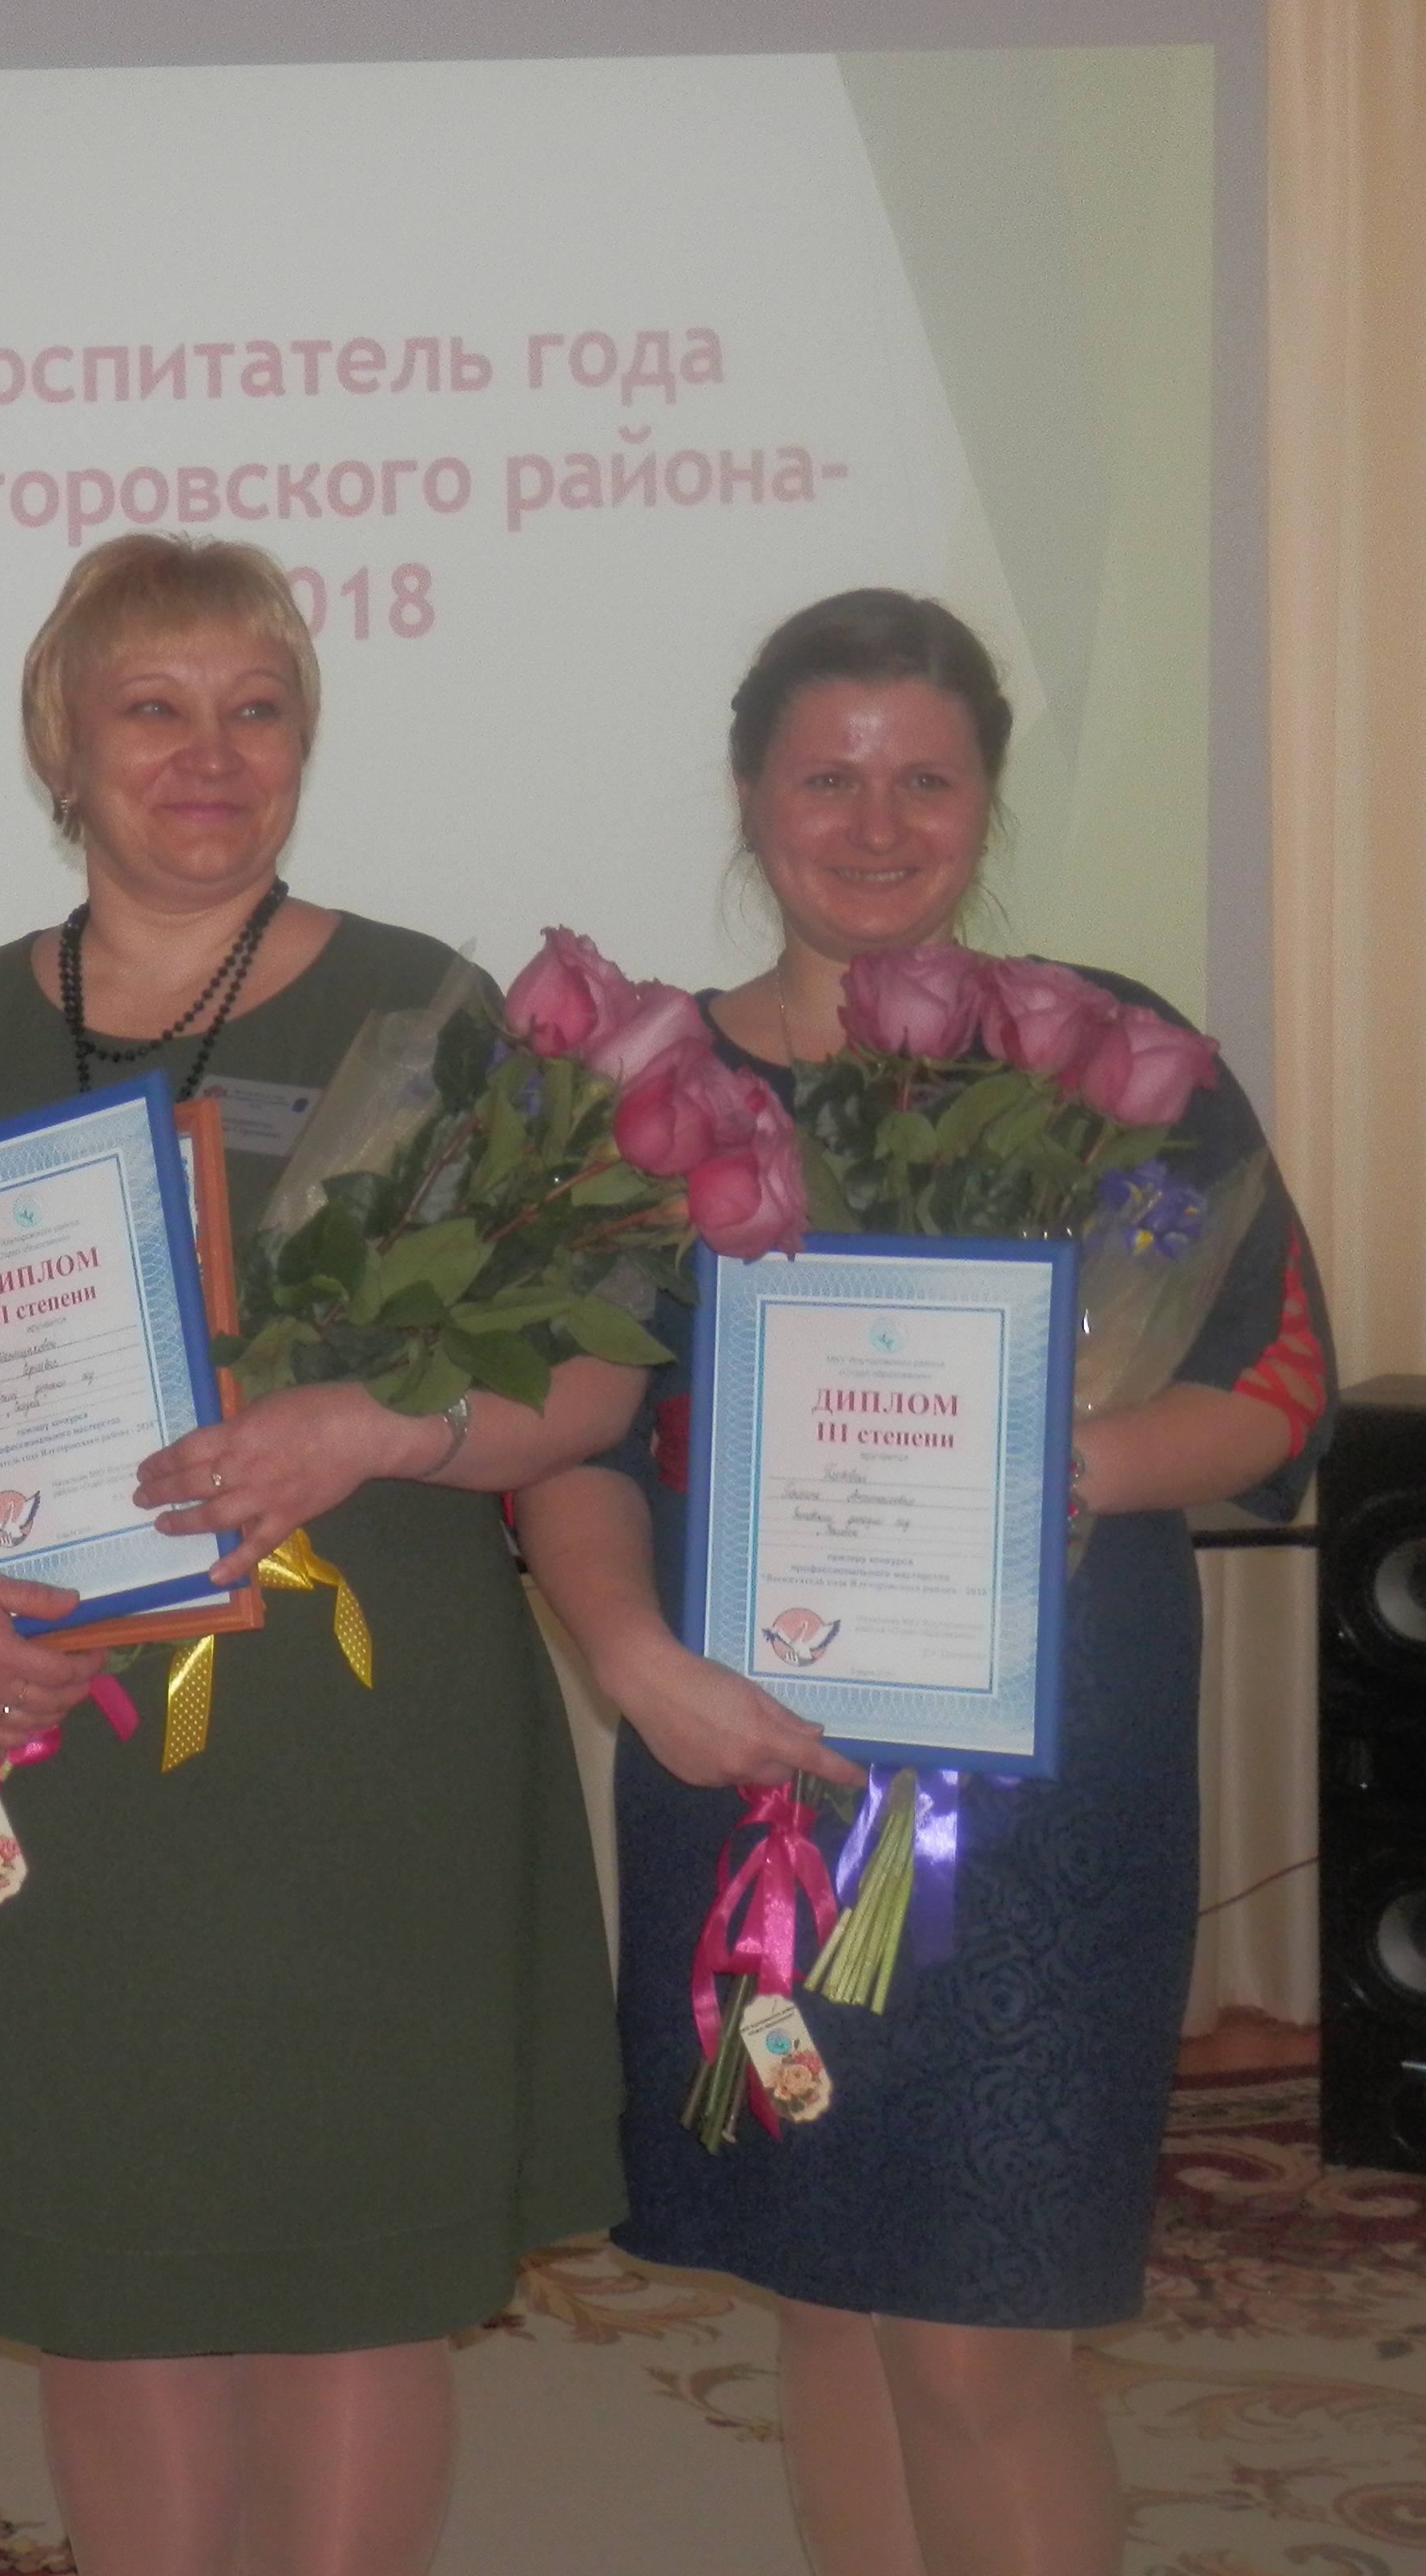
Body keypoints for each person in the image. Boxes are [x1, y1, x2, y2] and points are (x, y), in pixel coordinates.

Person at [0, 532, 640, 2576]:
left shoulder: (432, 1012)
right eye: (149, 708)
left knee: (357, 2279)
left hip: (359, 1760)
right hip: (38, 1738)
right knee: (105, 2273)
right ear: (59, 749)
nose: (206, 753)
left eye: (254, 708)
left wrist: (372, 1428)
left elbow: (592, 1369)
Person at [514, 589, 1333, 2576]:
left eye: (924, 782)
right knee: (824, 2295)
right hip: (745, 1760)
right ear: (746, 794)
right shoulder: (642, 1096)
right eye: (826, 779)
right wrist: (631, 1664)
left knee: (982, 2338)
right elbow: (570, 1439)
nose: (874, 827)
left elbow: (1274, 1379)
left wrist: (1063, 1466)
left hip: (1039, 1790)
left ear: (984, 800)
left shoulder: (1110, 1061)